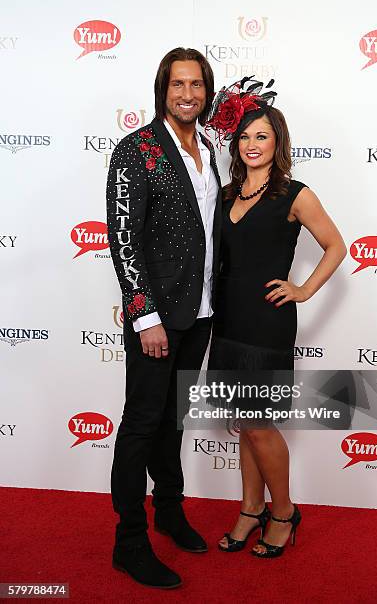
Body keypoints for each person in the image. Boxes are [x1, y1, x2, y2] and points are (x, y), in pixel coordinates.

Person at [206, 77, 347, 558]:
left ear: (278, 141)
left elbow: (336, 245)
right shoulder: (224, 196)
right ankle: (250, 509)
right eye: (244, 136)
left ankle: (284, 512)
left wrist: (304, 289)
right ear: (234, 142)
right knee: (244, 422)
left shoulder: (295, 194)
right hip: (226, 322)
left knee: (261, 423)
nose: (251, 144)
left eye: (261, 135)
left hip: (267, 323)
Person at [106, 48, 222, 588]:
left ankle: (168, 512)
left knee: (173, 420)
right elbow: (123, 240)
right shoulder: (137, 149)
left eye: (197, 85)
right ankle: (129, 542)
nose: (188, 95)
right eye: (178, 84)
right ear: (163, 88)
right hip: (157, 317)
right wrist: (143, 316)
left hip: (199, 313)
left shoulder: (210, 148)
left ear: (206, 90)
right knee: (141, 424)